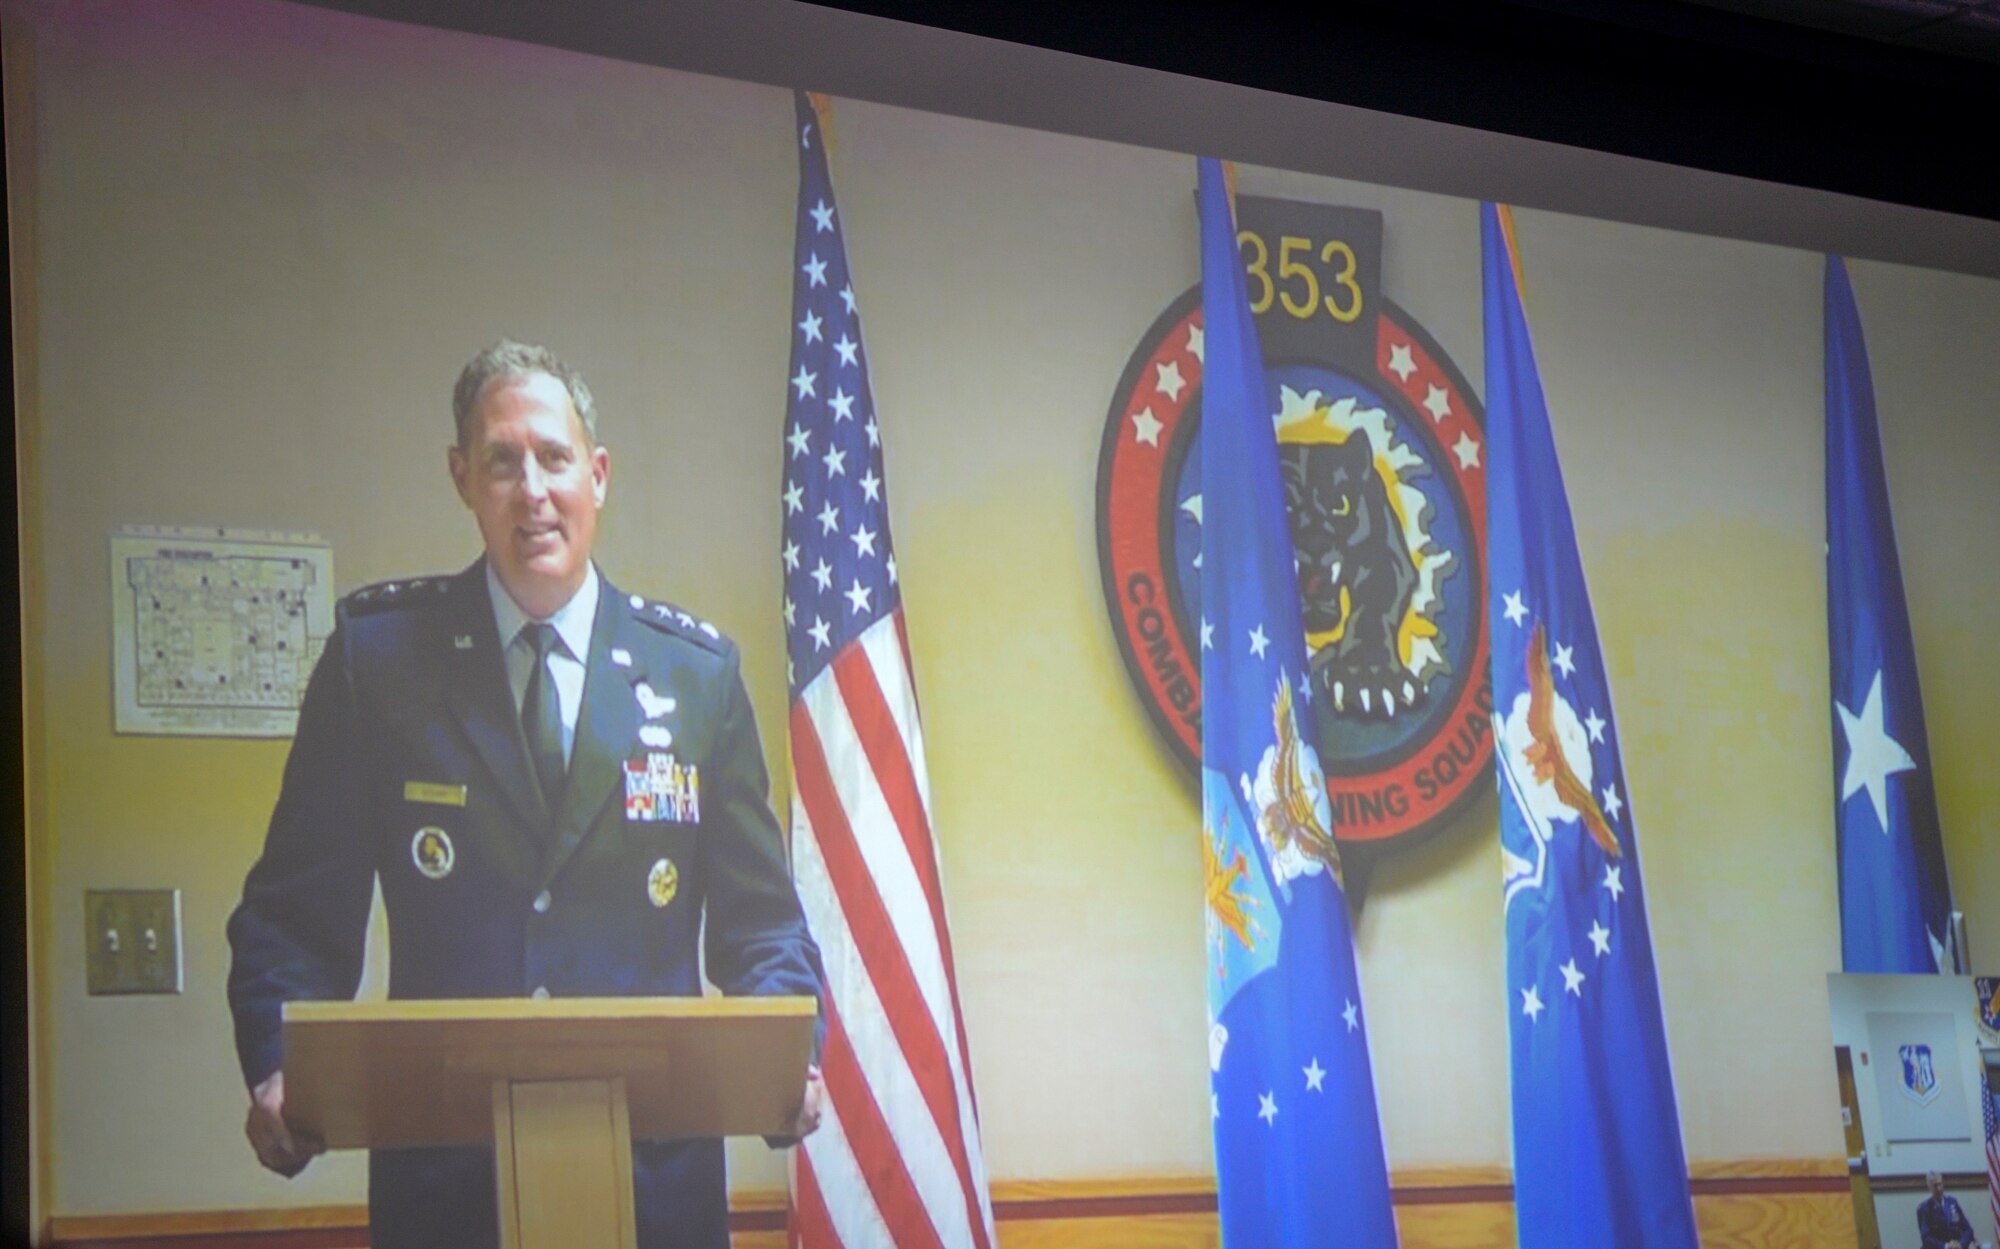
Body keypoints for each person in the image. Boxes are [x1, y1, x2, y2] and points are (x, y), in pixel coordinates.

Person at [227, 341, 825, 1249]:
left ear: (599, 474)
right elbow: (293, 913)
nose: (532, 489)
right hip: (449, 1186)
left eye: (553, 457)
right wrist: (276, 1063)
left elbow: (764, 923)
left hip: (654, 1189)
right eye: (502, 461)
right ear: (462, 478)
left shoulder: (695, 675)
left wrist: (792, 1060)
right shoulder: (379, 662)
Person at [1917, 1169, 1977, 1249]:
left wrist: (1961, 1244)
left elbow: (1968, 1230)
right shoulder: (1924, 1208)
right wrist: (1946, 1246)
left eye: (1940, 1184)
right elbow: (1926, 1238)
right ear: (1929, 1187)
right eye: (1935, 1186)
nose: (1938, 1189)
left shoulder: (1952, 1202)